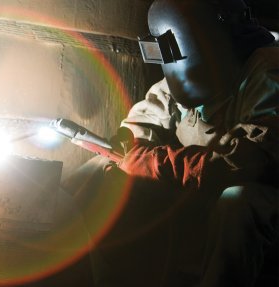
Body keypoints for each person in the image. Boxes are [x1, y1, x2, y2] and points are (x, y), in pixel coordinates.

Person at [63, 0, 278, 286]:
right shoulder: (182, 78)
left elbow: (245, 161)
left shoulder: (267, 71)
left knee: (238, 202)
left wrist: (154, 162)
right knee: (97, 171)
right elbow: (141, 124)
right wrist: (127, 148)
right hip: (199, 190)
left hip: (262, 194)